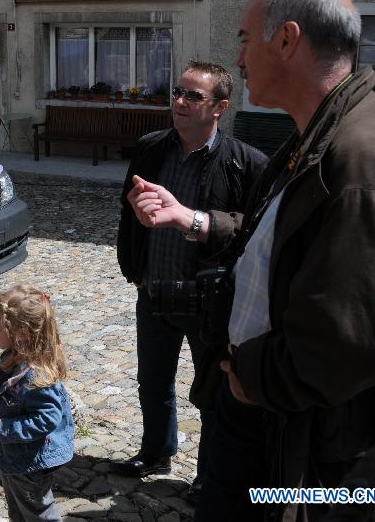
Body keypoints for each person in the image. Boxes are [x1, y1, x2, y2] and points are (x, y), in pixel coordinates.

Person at [126, 0, 375, 521]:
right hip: (262, 411)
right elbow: (273, 238)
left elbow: (365, 341)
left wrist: (252, 381)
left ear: (287, 40)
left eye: (244, 39)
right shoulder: (318, 135)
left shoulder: (359, 158)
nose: (239, 57)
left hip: (290, 432)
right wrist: (193, 220)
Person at [115, 62, 266, 497]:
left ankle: (206, 474)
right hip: (155, 289)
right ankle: (156, 450)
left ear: (220, 107)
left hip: (208, 300)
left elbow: (250, 229)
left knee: (212, 393)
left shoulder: (246, 163)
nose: (179, 102)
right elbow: (130, 212)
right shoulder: (150, 148)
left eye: (192, 96)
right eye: (177, 92)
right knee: (153, 382)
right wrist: (135, 267)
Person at [0, 284, 75, 522]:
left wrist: (6, 428)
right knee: (18, 505)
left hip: (30, 462)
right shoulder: (14, 358)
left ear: (22, 332)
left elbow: (47, 418)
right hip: (16, 457)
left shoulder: (36, 376)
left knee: (38, 511)